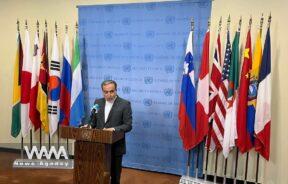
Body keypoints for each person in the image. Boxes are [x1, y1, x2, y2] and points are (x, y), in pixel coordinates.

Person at [89, 80, 132, 184]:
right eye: (106, 92)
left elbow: (128, 125)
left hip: (116, 146)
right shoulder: (97, 102)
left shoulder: (125, 104)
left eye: (111, 91)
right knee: (98, 174)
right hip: (98, 146)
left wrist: (113, 129)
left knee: (115, 177)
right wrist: (89, 125)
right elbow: (92, 120)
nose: (109, 94)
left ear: (116, 90)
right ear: (102, 91)